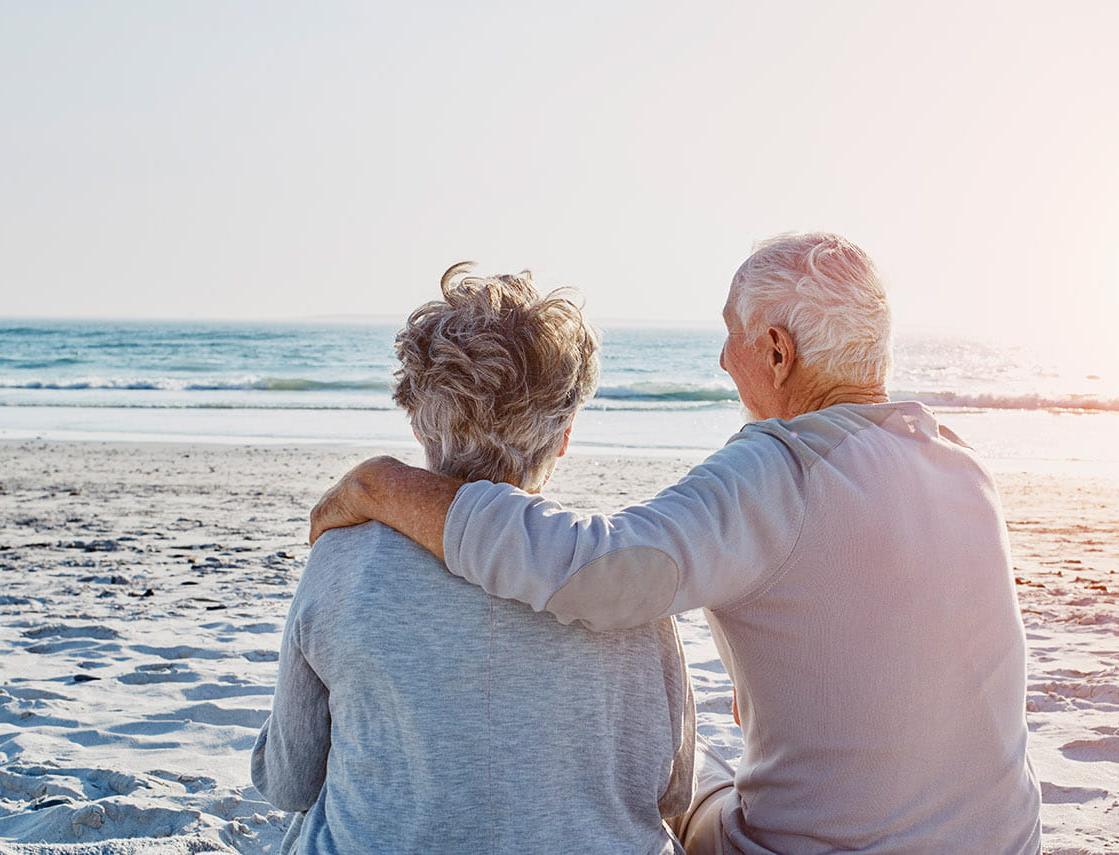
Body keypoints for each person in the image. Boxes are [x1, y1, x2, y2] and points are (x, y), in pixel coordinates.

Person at [308, 234, 1042, 854]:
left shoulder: (777, 469)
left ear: (778, 351)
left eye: (732, 335)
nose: (724, 361)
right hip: (1007, 840)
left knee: (692, 795)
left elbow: (597, 574)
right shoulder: (961, 464)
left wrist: (384, 485)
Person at [252, 263, 696, 854]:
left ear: (417, 423)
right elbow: (674, 791)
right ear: (564, 435)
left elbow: (286, 781)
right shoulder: (617, 572)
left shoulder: (341, 559)